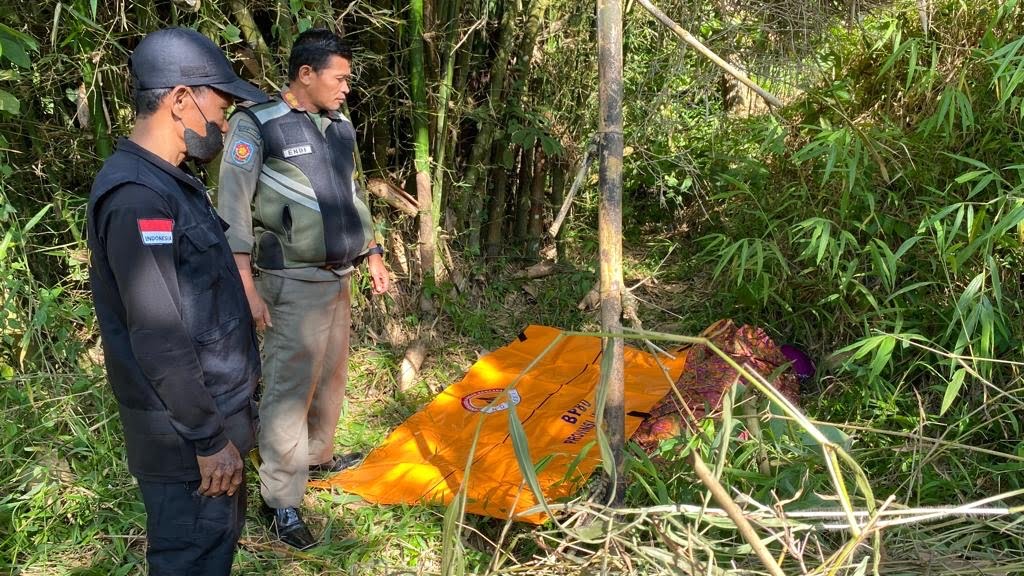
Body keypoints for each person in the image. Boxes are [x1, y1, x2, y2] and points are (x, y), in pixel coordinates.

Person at [86, 28, 267, 575]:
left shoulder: (172, 181)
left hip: (211, 422)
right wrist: (210, 441)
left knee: (213, 552)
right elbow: (159, 337)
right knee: (192, 557)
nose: (225, 120)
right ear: (181, 99)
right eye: (222, 103)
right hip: (187, 442)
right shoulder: (139, 198)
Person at [217, 28, 390, 549]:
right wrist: (245, 283)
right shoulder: (258, 125)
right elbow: (232, 208)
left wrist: (374, 250)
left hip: (340, 277)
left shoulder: (340, 126)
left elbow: (351, 193)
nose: (346, 88)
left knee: (331, 377)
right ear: (306, 74)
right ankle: (281, 500)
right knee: (290, 391)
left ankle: (318, 457)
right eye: (339, 78)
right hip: (291, 280)